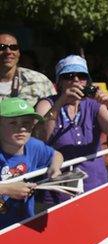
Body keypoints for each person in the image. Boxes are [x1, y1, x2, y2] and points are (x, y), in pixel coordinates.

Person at [34, 55, 108, 202]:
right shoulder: (47, 104)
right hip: (58, 187)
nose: (75, 80)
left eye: (81, 76)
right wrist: (61, 102)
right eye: (69, 76)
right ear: (59, 82)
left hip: (94, 182)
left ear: (87, 81)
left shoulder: (93, 103)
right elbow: (41, 137)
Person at [0, 97, 62, 229]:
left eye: (27, 123)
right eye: (13, 123)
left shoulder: (33, 145)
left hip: (24, 224)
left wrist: (55, 168)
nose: (22, 128)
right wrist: (6, 189)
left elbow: (56, 155)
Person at [0, 32, 56, 106]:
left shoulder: (39, 80)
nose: (8, 51)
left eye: (13, 47)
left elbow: (55, 111)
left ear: (19, 53)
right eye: (2, 47)